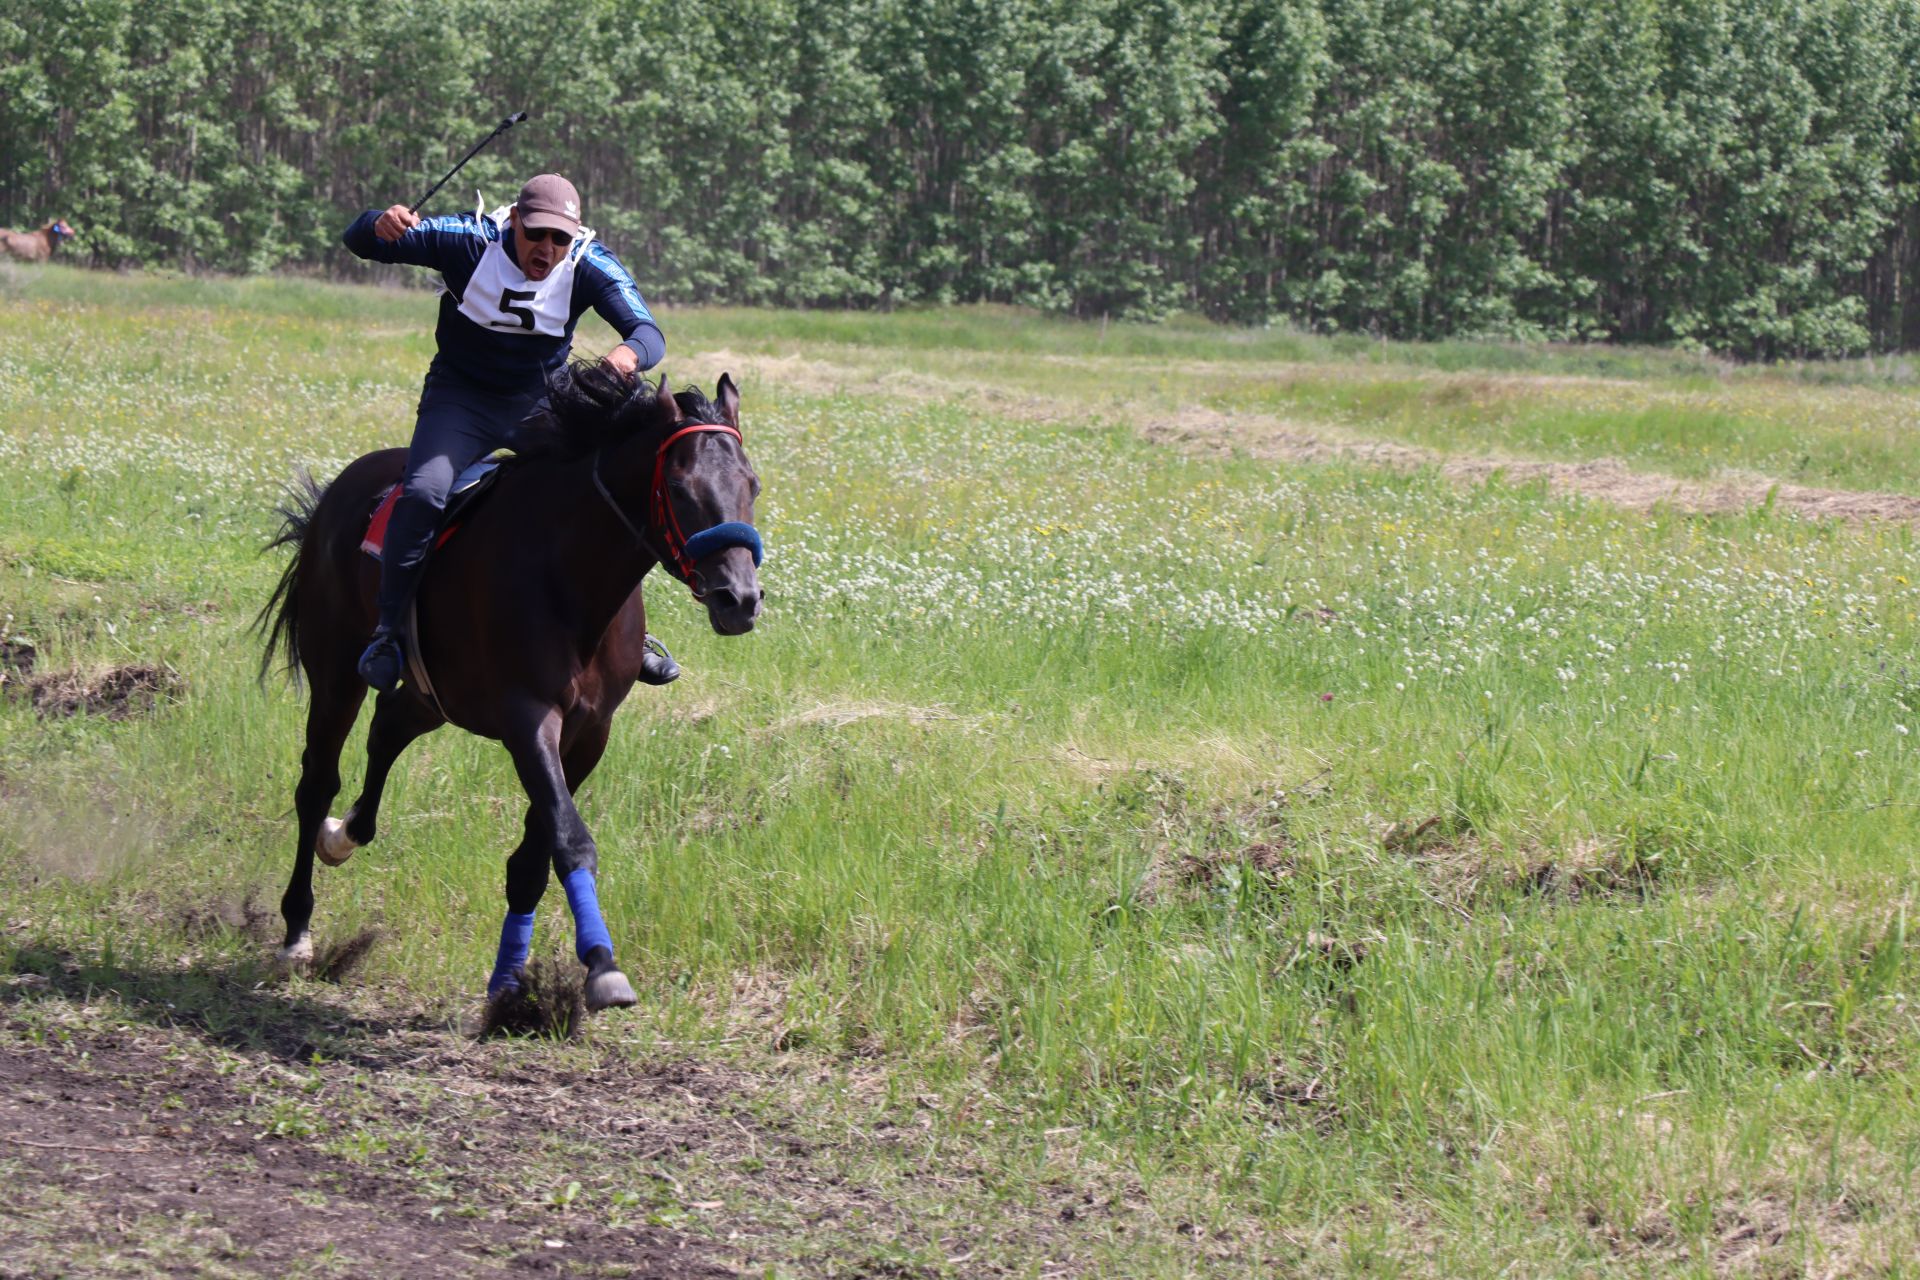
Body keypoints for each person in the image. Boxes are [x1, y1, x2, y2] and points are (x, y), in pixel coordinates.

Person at [342, 173, 679, 693]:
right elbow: (361, 242)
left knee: (607, 485)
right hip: (463, 398)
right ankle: (388, 633)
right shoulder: (467, 239)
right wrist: (378, 223)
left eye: (559, 239)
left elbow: (648, 332)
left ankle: (637, 635)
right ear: (515, 220)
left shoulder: (591, 263)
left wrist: (625, 355)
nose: (546, 249)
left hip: (543, 402)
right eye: (536, 233)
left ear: (575, 235)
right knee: (426, 490)